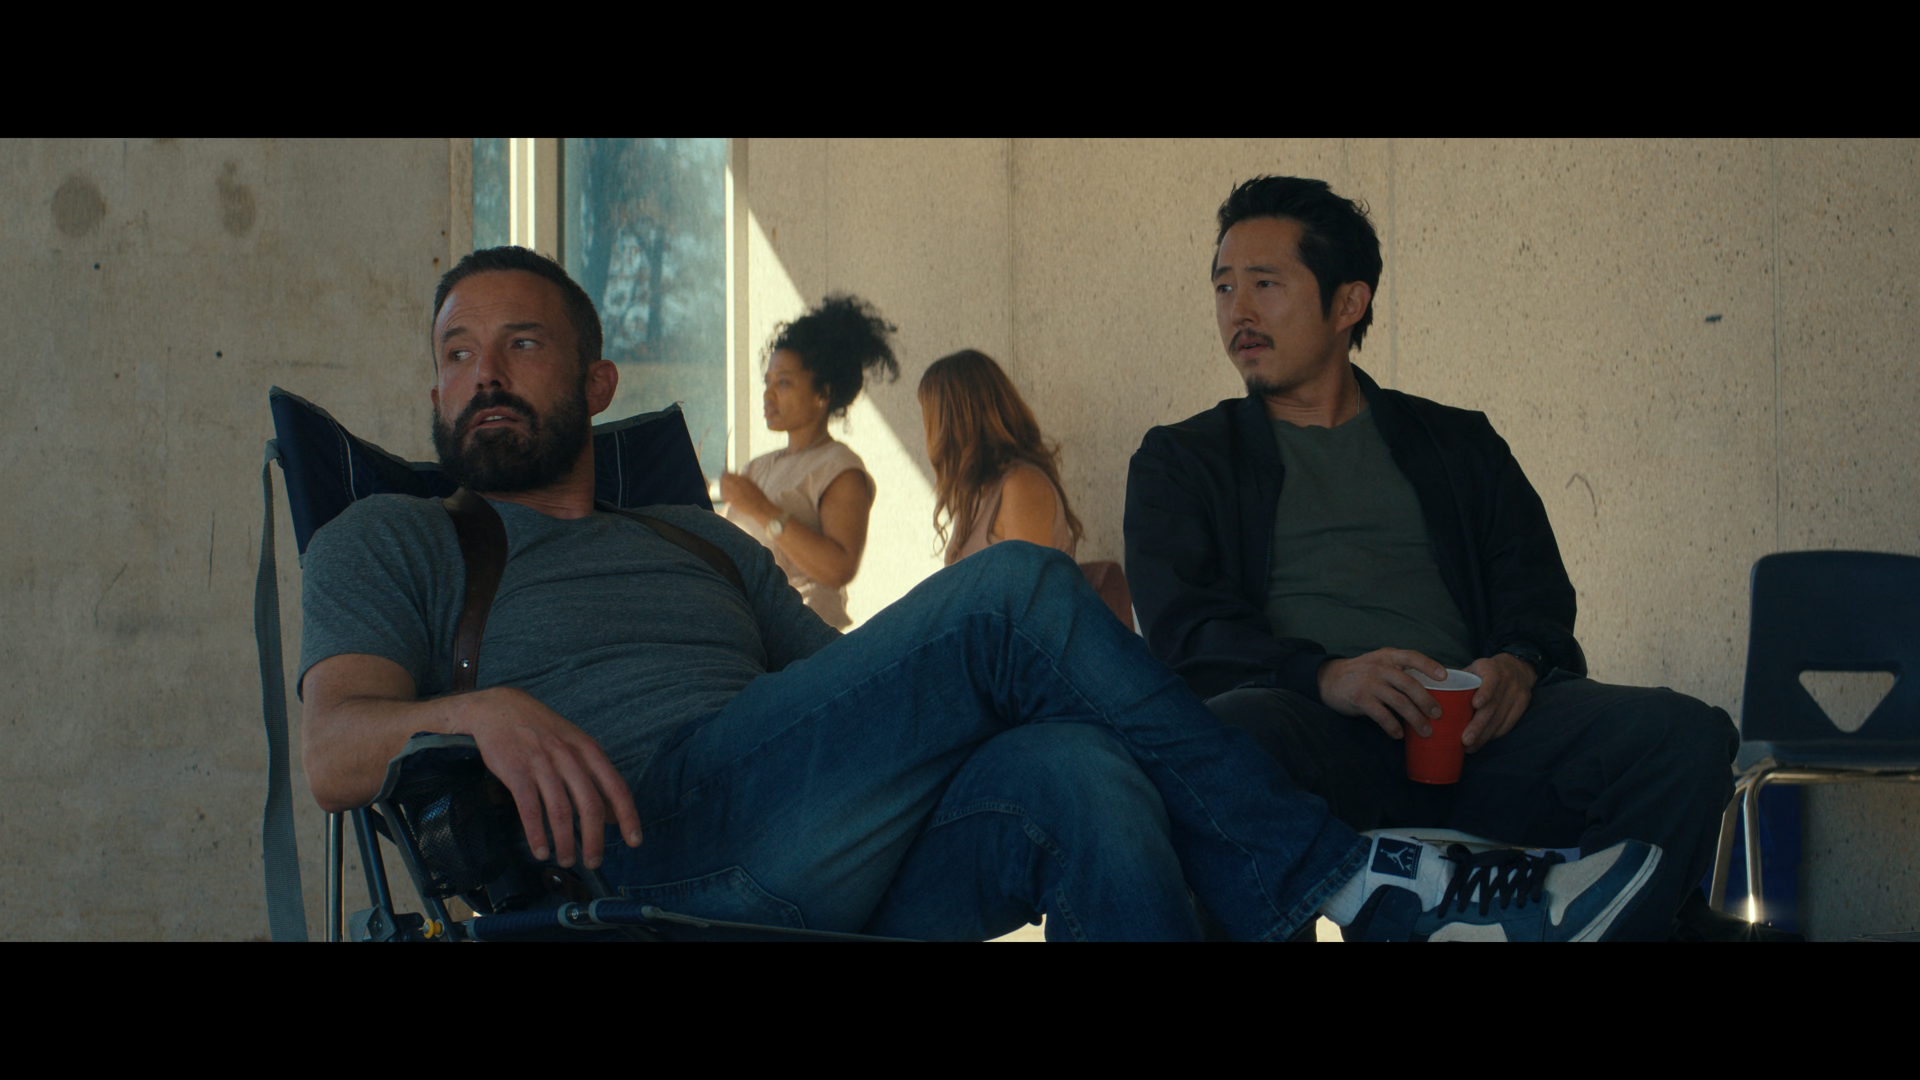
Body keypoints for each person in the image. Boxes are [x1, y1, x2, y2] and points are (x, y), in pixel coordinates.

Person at [297, 244, 1665, 942]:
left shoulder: (702, 544)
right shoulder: (401, 539)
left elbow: (852, 689)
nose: (483, 374)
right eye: (457, 352)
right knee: (1014, 589)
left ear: (596, 384)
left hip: (803, 823)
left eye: (521, 345)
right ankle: (1359, 880)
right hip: (639, 853)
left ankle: (1360, 881)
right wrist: (479, 715)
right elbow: (332, 749)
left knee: (1081, 771)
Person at [1123, 176, 1739, 941]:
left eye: (1265, 284)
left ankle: (1606, 926)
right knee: (1229, 737)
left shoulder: (1457, 444)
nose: (1238, 312)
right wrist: (1327, 676)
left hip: (1474, 734)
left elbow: (1536, 594)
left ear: (1348, 303)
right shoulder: (1184, 461)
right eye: (1223, 287)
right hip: (1310, 734)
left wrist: (1516, 666)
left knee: (1684, 737)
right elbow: (1188, 635)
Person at [718, 296, 896, 629]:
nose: (768, 395)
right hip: (749, 633)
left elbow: (839, 568)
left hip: (805, 639)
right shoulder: (758, 466)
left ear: (823, 393)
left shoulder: (840, 468)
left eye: (783, 383)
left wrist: (761, 508)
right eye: (767, 382)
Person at [919, 349, 1082, 565]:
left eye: (929, 417)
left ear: (951, 423)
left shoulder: (1021, 485)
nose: (927, 432)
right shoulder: (975, 492)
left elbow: (1025, 584)